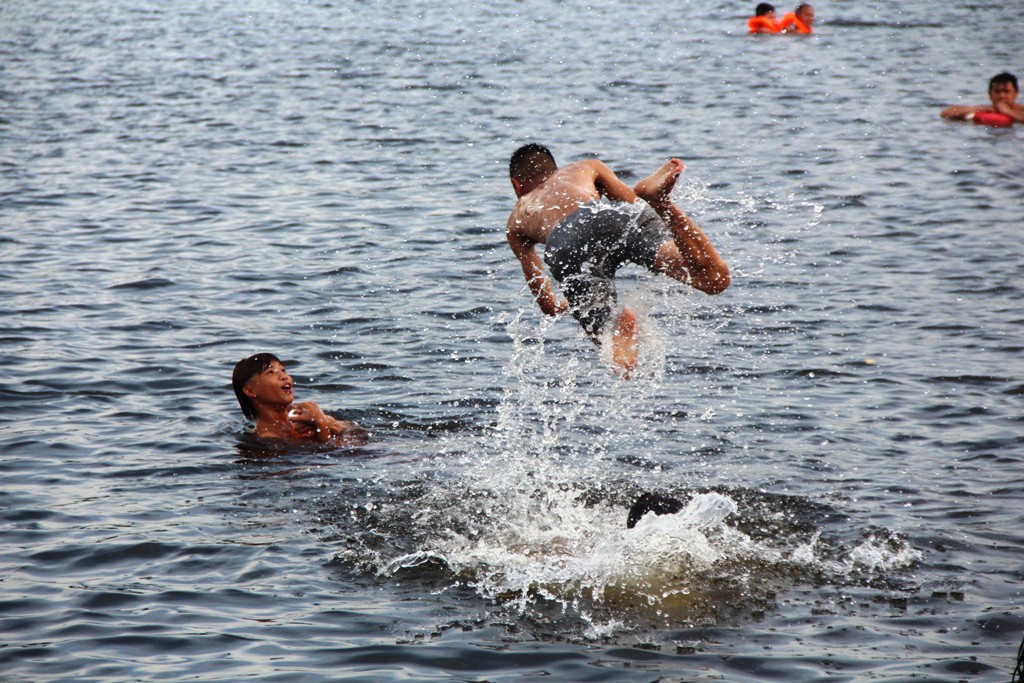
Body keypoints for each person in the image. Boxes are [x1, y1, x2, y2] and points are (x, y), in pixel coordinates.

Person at [505, 144, 730, 374]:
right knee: (714, 279)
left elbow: (548, 305)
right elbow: (634, 205)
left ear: (517, 185)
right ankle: (661, 201)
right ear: (553, 168)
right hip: (609, 217)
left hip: (565, 242)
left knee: (618, 358)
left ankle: (619, 324)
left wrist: (572, 303)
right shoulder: (586, 167)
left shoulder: (516, 220)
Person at [232, 353, 364, 442]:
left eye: (283, 370)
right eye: (270, 372)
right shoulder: (268, 439)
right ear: (250, 391)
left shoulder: (303, 415)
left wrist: (325, 421)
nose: (285, 376)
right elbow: (326, 456)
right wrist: (322, 424)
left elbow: (358, 431)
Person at [940, 72, 1024, 125]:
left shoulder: (1021, 110)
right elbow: (945, 114)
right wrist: (977, 108)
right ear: (990, 94)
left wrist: (1007, 111)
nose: (1001, 96)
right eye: (997, 92)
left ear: (1016, 94)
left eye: (1006, 92)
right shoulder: (985, 109)